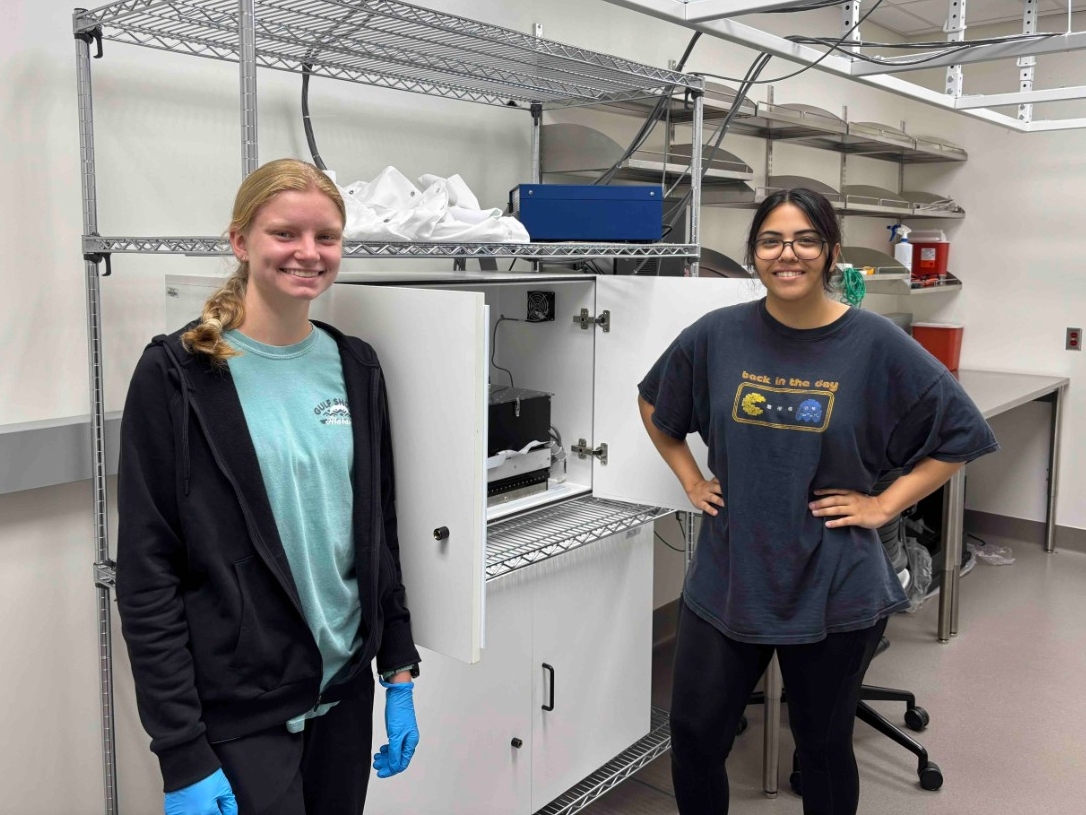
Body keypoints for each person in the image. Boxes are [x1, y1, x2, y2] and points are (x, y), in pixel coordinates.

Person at [638, 188, 998, 815]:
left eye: (806, 240)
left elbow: (961, 435)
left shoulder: (875, 344)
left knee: (824, 746)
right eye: (772, 241)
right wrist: (692, 480)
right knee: (694, 738)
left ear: (831, 253)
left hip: (835, 583)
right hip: (731, 574)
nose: (789, 254)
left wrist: (883, 507)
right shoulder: (717, 335)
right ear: (755, 254)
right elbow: (655, 405)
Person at [117, 158, 421, 815]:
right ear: (240, 241)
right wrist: (182, 754)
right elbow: (148, 578)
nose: (309, 253)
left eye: (328, 237)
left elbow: (377, 530)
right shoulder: (176, 377)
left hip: (342, 692)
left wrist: (397, 666)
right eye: (286, 233)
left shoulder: (356, 366)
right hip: (240, 706)